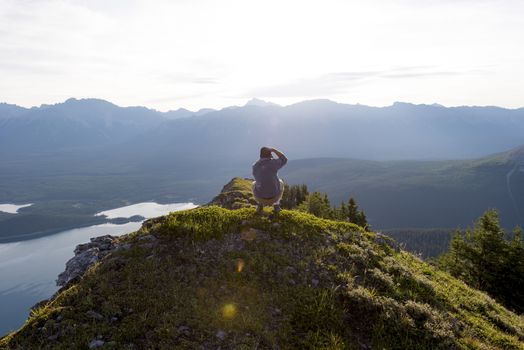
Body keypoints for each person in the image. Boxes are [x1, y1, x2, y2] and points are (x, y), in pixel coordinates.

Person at [252, 147, 287, 214]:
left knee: (254, 183)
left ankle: (260, 205)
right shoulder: (273, 163)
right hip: (274, 198)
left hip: (260, 198)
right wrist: (274, 150)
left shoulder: (255, 166)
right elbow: (284, 159)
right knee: (281, 182)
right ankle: (276, 205)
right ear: (270, 155)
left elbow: (257, 178)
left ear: (260, 155)